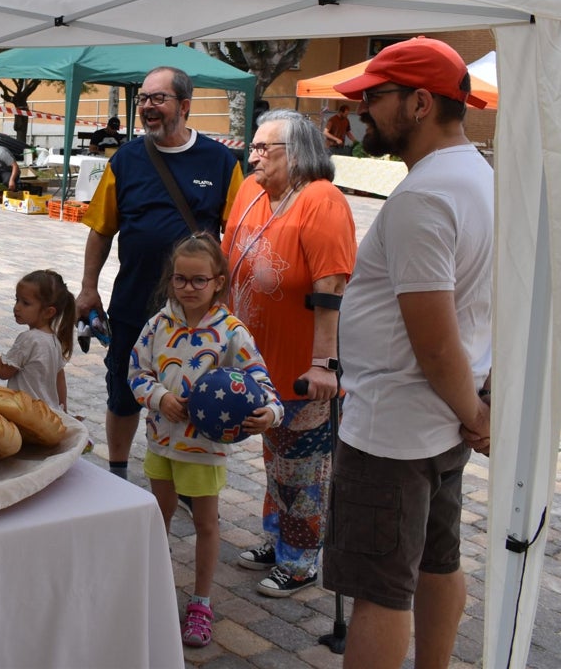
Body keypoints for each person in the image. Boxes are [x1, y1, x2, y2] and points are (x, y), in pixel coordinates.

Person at [324, 36, 492, 668]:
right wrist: (474, 406)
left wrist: (476, 415)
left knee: (382, 590)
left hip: (397, 426)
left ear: (421, 103)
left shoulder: (426, 195)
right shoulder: (477, 176)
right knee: (439, 560)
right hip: (439, 418)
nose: (364, 109)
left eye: (375, 96)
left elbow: (434, 339)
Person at [76, 66, 243, 480]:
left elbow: (239, 238)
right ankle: (117, 474)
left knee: (194, 393)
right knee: (123, 390)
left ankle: (186, 477)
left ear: (184, 106)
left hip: (196, 315)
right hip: (134, 302)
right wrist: (87, 289)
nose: (148, 106)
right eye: (143, 99)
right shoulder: (126, 160)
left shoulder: (222, 162)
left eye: (158, 98)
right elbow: (101, 231)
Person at [220, 109, 357, 597]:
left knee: (302, 466)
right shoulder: (250, 191)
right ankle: (277, 539)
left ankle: (300, 561)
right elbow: (227, 259)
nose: (253, 156)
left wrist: (322, 364)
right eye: (252, 147)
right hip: (256, 364)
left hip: (302, 369)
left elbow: (330, 287)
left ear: (297, 155)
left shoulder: (321, 200)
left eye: (264, 149)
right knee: (275, 457)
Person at [129, 232, 282, 648]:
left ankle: (201, 602)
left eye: (199, 280)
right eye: (180, 279)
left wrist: (270, 413)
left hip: (204, 450)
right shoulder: (158, 325)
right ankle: (152, 588)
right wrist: (159, 397)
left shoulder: (231, 332)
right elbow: (137, 373)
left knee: (205, 524)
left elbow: (263, 383)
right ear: (170, 279)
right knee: (157, 515)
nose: (188, 288)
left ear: (218, 281)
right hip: (161, 440)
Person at [0, 268, 75, 409]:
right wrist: (63, 408)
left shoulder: (30, 339)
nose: (17, 307)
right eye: (17, 299)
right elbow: (59, 377)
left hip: (27, 413)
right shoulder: (54, 340)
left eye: (25, 303)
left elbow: (3, 371)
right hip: (48, 413)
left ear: (48, 312)